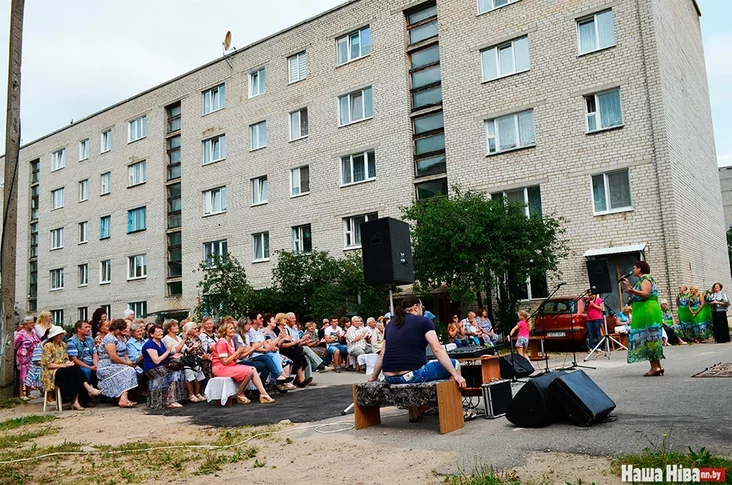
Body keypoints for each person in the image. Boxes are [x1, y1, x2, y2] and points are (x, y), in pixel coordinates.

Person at [369, 296, 466, 422]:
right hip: (411, 375)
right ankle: (456, 412)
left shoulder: (391, 324)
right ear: (416, 307)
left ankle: (413, 412)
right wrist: (456, 375)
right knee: (454, 363)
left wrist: (373, 377)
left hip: (389, 377)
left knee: (418, 366)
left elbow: (382, 353)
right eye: (422, 308)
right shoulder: (424, 321)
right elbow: (437, 349)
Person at [212, 321, 275, 404]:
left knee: (252, 369)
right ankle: (242, 393)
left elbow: (234, 358)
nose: (233, 330)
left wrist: (242, 351)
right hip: (220, 368)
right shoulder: (222, 342)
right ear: (224, 330)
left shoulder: (230, 341)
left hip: (230, 365)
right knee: (251, 370)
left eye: (233, 328)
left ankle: (261, 394)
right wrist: (238, 352)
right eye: (230, 328)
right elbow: (225, 362)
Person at [41, 326, 102, 410]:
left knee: (75, 370)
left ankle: (76, 401)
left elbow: (65, 359)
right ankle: (88, 390)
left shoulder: (63, 345)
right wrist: (64, 365)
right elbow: (49, 365)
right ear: (53, 336)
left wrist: (68, 363)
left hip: (64, 369)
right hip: (52, 372)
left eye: (61, 334)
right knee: (74, 371)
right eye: (58, 335)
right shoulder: (48, 346)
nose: (61, 336)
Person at [621, 261, 665, 376]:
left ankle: (654, 367)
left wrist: (631, 290)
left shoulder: (645, 279)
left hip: (647, 310)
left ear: (640, 269)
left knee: (648, 337)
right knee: (651, 337)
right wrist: (629, 286)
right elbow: (637, 295)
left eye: (634, 268)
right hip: (644, 310)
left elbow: (645, 293)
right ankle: (658, 366)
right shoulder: (641, 280)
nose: (633, 270)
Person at [142, 324, 187, 409]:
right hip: (152, 368)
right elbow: (156, 360)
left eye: (161, 331)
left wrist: (172, 356)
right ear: (152, 334)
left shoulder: (160, 343)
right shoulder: (150, 344)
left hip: (162, 365)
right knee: (168, 373)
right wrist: (168, 351)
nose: (161, 333)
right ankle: (166, 401)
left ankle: (173, 399)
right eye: (158, 332)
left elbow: (164, 356)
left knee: (178, 371)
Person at [97, 319, 139, 407]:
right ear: (117, 329)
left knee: (138, 370)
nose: (125, 331)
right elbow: (113, 356)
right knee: (129, 371)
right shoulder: (109, 339)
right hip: (107, 365)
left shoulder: (120, 337)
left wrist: (130, 362)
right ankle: (123, 399)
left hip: (119, 363)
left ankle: (122, 397)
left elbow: (124, 353)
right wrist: (127, 364)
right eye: (122, 329)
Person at [274, 313, 309, 386]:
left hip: (289, 348)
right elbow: (281, 345)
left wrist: (301, 341)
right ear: (279, 320)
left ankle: (298, 379)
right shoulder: (276, 330)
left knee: (301, 356)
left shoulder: (286, 329)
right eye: (284, 319)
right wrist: (294, 342)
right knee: (297, 356)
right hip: (281, 350)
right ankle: (299, 379)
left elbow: (290, 341)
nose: (286, 320)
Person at [14, 316, 41, 400]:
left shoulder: (33, 333)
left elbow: (38, 342)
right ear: (25, 325)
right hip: (23, 357)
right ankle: (21, 394)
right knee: (22, 374)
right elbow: (15, 345)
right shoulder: (20, 334)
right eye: (30, 323)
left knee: (30, 373)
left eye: (33, 323)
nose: (32, 324)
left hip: (32, 356)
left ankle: (28, 393)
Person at [180, 321, 207, 402]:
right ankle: (191, 394)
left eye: (197, 328)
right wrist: (193, 348)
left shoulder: (197, 338)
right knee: (190, 373)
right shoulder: (183, 338)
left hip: (197, 360)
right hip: (187, 361)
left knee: (199, 371)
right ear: (188, 330)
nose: (197, 330)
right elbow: (185, 351)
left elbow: (201, 350)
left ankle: (198, 393)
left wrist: (203, 356)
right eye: (194, 328)